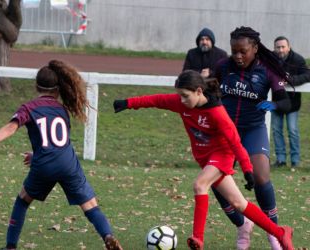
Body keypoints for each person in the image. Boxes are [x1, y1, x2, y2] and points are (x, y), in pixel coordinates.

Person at [113, 70, 293, 250]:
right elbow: (156, 100)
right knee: (239, 203)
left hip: (222, 155)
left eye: (185, 96)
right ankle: (280, 232)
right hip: (206, 159)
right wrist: (128, 103)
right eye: (180, 96)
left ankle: (198, 238)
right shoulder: (182, 104)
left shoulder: (217, 113)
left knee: (200, 185)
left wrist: (247, 170)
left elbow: (235, 143)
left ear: (199, 91)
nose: (182, 100)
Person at [0, 60, 123, 250]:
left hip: (45, 165)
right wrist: (37, 155)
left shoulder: (29, 107)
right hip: (68, 163)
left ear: (36, 86)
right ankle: (108, 236)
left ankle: (10, 247)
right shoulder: (62, 110)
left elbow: (11, 128)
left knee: (22, 200)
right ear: (58, 90)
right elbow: (58, 141)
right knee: (90, 205)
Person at [214, 27, 292, 250]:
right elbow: (209, 90)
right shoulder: (223, 66)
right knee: (217, 181)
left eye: (243, 51)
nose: (238, 56)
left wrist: (274, 104)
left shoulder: (268, 71)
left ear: (255, 49)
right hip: (226, 132)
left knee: (261, 177)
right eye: (234, 51)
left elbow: (285, 102)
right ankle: (242, 226)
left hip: (253, 130)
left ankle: (274, 233)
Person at [271, 36, 310, 168]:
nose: (280, 50)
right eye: (278, 47)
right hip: (276, 101)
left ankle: (295, 160)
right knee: (276, 130)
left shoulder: (298, 59)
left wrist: (291, 80)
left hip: (292, 103)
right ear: (274, 48)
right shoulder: (270, 59)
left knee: (293, 131)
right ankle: (280, 160)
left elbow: (307, 75)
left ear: (289, 47)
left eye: (283, 47)